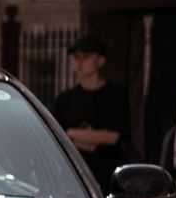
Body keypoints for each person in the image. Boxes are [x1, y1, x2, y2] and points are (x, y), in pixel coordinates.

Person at [52, 34, 131, 188]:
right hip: (74, 176)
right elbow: (56, 136)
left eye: (86, 57)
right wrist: (85, 138)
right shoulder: (65, 99)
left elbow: (113, 136)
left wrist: (72, 134)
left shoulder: (116, 95)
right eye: (76, 57)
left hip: (108, 175)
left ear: (100, 60)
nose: (79, 62)